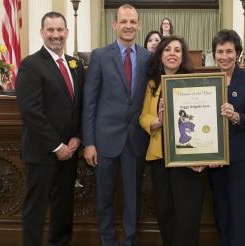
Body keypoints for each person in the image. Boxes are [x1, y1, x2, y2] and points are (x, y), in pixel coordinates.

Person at [82, 4, 151, 246]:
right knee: (104, 199)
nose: (129, 26)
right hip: (104, 141)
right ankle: (108, 242)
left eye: (133, 21)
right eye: (124, 21)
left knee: (132, 200)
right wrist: (89, 143)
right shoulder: (100, 55)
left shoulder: (147, 57)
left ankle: (130, 242)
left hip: (135, 141)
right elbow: (89, 103)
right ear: (115, 25)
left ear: (139, 24)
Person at [16, 11, 84, 246]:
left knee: (63, 207)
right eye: (51, 30)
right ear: (42, 33)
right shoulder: (31, 65)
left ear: (67, 32)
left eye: (60, 30)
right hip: (43, 152)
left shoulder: (75, 65)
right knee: (36, 208)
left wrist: (77, 137)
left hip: (70, 152)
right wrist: (57, 146)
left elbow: (79, 105)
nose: (56, 35)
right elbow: (31, 112)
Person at [139, 36, 205, 246]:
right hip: (160, 158)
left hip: (188, 159)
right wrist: (157, 121)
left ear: (183, 56)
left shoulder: (194, 83)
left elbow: (203, 119)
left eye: (177, 50)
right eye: (167, 49)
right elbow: (143, 117)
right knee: (165, 212)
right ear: (160, 55)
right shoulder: (152, 85)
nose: (172, 54)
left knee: (187, 217)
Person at [207, 29, 245, 246]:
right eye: (220, 52)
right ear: (214, 54)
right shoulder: (207, 80)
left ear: (237, 53)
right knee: (220, 209)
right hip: (214, 157)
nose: (224, 56)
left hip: (242, 156)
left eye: (229, 51)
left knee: (239, 209)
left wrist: (237, 116)